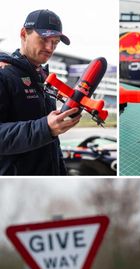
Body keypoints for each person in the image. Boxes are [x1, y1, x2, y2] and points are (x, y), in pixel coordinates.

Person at [0, 9, 81, 175]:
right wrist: (45, 128)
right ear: (24, 34)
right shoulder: (4, 75)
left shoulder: (44, 80)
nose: (50, 48)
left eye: (55, 42)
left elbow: (52, 144)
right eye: (44, 39)